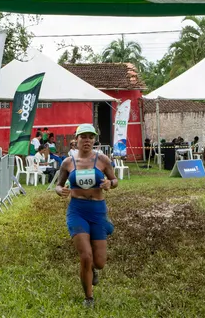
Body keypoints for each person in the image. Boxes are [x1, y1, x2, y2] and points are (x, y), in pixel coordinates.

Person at [54, 124, 118, 308]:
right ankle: (88, 297)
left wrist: (109, 183)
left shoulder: (102, 160)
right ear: (77, 140)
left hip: (98, 211)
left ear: (94, 141)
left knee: (99, 263)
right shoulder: (68, 162)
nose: (88, 140)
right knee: (86, 256)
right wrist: (60, 190)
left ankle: (93, 268)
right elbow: (58, 184)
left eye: (91, 137)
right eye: (84, 137)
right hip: (77, 211)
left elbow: (115, 180)